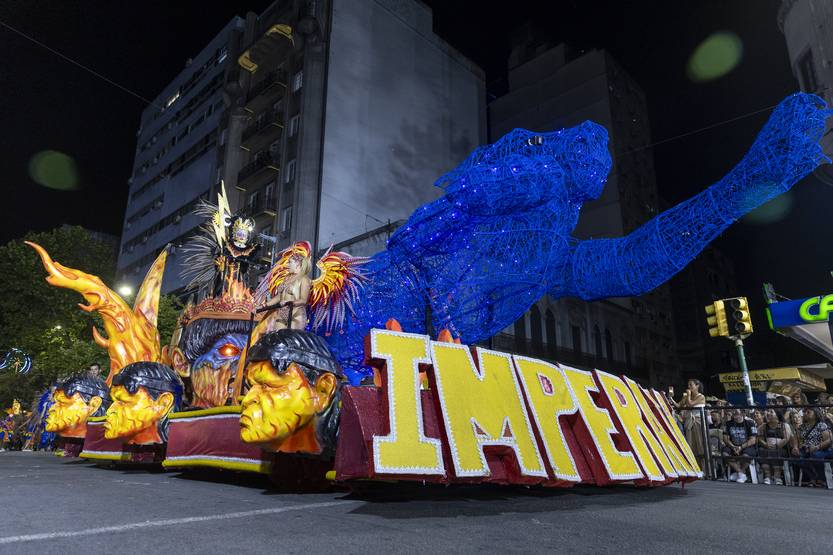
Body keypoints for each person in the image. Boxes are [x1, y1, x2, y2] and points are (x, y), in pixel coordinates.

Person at [791, 407, 833, 487]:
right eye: (804, 412)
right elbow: (796, 437)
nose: (805, 414)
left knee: (816, 455)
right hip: (807, 449)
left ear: (815, 413)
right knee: (796, 457)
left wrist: (817, 447)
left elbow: (829, 440)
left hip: (823, 449)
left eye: (808, 412)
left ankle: (821, 479)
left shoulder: (821, 425)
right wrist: (795, 447)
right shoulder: (803, 426)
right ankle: (813, 477)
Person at [722, 408, 757, 483]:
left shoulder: (750, 423)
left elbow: (753, 440)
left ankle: (739, 473)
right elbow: (725, 438)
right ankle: (741, 473)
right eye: (733, 413)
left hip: (746, 446)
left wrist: (741, 447)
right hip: (732, 446)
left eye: (736, 413)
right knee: (724, 453)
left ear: (743, 414)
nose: (734, 415)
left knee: (746, 455)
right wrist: (733, 447)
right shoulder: (728, 423)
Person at [757, 408, 790, 485]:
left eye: (771, 412)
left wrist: (777, 446)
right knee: (762, 451)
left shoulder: (784, 425)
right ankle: (767, 476)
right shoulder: (764, 426)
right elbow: (759, 438)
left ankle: (777, 476)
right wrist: (765, 444)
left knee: (778, 453)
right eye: (768, 411)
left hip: (780, 447)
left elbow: (786, 438)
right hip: (767, 447)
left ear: (777, 414)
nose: (768, 413)